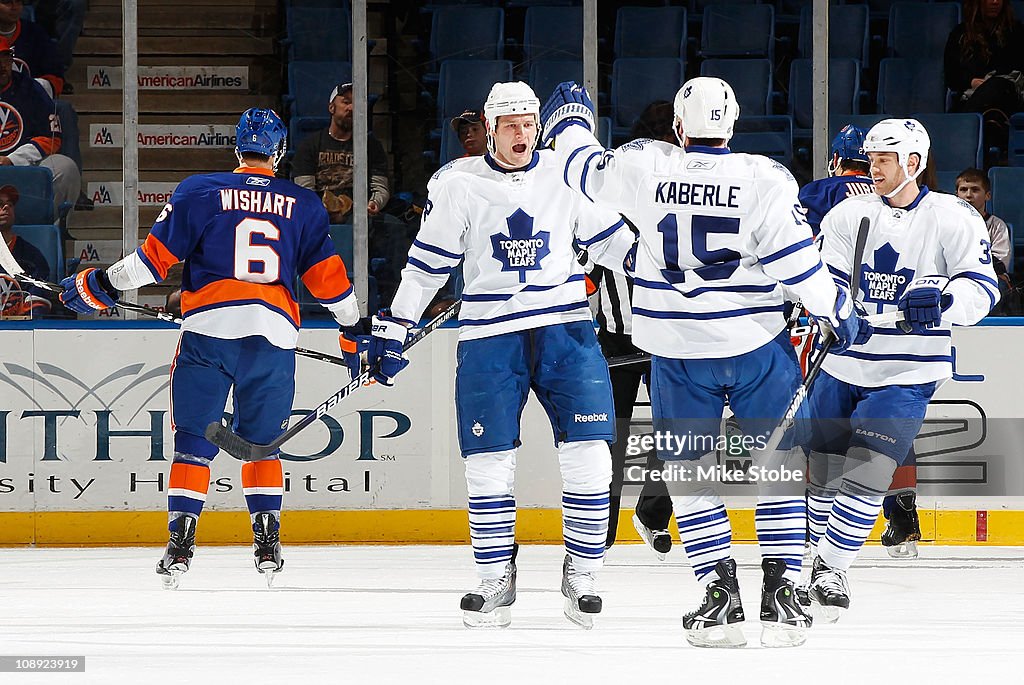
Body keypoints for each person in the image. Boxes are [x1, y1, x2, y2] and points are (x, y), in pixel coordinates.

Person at [541, 77, 871, 648]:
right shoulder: (764, 176)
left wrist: (571, 115)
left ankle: (718, 593)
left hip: (675, 349)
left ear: (677, 127)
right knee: (781, 468)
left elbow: (580, 167)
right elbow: (794, 264)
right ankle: (784, 594)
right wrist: (838, 308)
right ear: (733, 124)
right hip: (754, 344)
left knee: (689, 473)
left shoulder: (645, 164)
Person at [367, 81, 636, 630]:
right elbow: (427, 265)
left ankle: (582, 574)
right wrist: (395, 325)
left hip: (566, 332)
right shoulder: (459, 184)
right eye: (510, 124)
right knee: (488, 464)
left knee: (590, 457)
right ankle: (495, 577)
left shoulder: (563, 173)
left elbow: (618, 245)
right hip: (490, 338)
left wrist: (682, 278)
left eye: (529, 122)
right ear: (489, 128)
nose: (522, 133)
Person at [56, 108, 360, 589]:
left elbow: (152, 264)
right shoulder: (304, 203)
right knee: (261, 445)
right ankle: (267, 541)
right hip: (274, 337)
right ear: (279, 154)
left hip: (208, 334)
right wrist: (353, 331)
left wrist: (101, 283)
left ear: (237, 150)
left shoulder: (199, 190)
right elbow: (333, 286)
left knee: (194, 442)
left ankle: (180, 545)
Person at [802, 119, 999, 622]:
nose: (874, 168)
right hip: (842, 363)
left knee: (870, 470)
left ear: (913, 162)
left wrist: (946, 303)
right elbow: (824, 279)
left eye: (884, 160)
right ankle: (807, 562)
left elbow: (983, 290)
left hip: (908, 371)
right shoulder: (849, 213)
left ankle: (831, 568)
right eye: (871, 159)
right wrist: (836, 312)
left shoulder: (953, 217)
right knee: (821, 476)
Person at [599, 102, 677, 559]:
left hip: (661, 332)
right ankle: (605, 526)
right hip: (625, 334)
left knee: (679, 429)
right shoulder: (608, 192)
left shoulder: (683, 186)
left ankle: (649, 513)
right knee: (613, 435)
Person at [0, 36, 79, 213]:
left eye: (5, 59)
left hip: (24, 171)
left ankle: (50, 230)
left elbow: (51, 138)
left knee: (65, 167)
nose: (2, 66)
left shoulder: (30, 89)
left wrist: (12, 160)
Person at [291, 82, 391, 222]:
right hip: (318, 214)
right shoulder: (309, 145)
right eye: (346, 102)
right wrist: (322, 210)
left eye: (357, 103)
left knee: (393, 225)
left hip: (361, 215)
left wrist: (374, 203)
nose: (352, 108)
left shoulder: (372, 146)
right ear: (331, 108)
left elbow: (380, 188)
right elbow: (304, 191)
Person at [944, 0, 1024, 158]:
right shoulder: (961, 34)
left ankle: (961, 129)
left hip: (1009, 93)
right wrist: (971, 81)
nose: (995, 2)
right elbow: (951, 74)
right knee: (990, 121)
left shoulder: (1016, 31)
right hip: (972, 94)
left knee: (997, 85)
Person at [798, 124, 874, 236]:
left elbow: (806, 238)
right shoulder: (885, 191)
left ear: (836, 158)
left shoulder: (819, 190)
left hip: (833, 252)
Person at [0, 183, 50, 317]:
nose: (6, 207)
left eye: (10, 204)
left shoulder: (31, 255)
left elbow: (37, 306)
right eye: (0, 204)